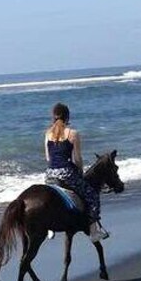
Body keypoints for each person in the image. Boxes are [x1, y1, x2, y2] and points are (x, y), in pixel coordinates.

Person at [44, 103, 109, 241]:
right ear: (68, 117)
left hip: (49, 174)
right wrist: (80, 171)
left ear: (53, 117)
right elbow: (77, 158)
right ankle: (93, 232)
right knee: (92, 195)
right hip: (66, 173)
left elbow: (48, 158)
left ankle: (49, 227)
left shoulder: (48, 134)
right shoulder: (73, 133)